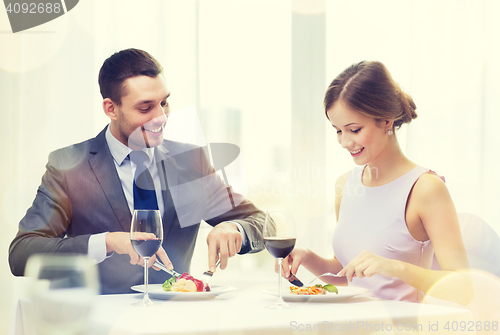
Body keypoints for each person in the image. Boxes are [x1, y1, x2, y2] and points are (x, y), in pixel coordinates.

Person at [9, 48, 265, 294]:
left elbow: (262, 222)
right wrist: (108, 241)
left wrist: (234, 228)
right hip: (97, 322)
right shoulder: (68, 165)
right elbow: (22, 253)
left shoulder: (189, 162)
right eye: (145, 108)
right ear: (111, 109)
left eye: (164, 103)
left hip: (174, 320)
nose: (162, 117)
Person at [282, 61, 471, 304]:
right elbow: (349, 276)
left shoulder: (425, 188)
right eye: (338, 130)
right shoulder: (345, 185)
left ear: (386, 121)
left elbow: (464, 289)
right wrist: (308, 257)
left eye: (354, 129)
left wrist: (396, 268)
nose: (344, 142)